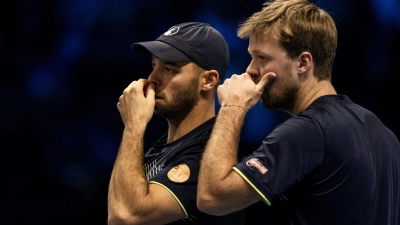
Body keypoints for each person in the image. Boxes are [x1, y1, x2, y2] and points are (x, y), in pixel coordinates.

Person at [196, 0, 400, 224]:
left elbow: (211, 197)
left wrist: (232, 108)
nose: (251, 70)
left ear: (303, 62)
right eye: (252, 57)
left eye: (262, 58)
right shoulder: (385, 136)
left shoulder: (309, 132)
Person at [107, 22, 246, 225]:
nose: (152, 79)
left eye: (170, 70)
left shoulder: (211, 157)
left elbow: (125, 216)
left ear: (208, 80)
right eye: (154, 66)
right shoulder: (162, 148)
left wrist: (133, 126)